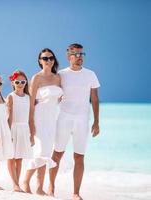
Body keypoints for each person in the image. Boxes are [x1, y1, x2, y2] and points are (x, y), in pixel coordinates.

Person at [49, 43, 100, 200]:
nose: (79, 58)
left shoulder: (90, 74)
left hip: (82, 120)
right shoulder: (61, 74)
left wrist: (96, 122)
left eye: (81, 54)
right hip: (63, 117)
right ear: (68, 56)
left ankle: (76, 193)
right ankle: (51, 187)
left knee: (79, 156)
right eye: (76, 54)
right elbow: (52, 94)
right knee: (57, 154)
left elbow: (94, 98)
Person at [22, 48, 63, 195]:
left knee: (46, 152)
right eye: (45, 58)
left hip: (53, 118)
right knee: (41, 151)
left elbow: (59, 98)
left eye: (51, 58)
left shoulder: (58, 78)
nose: (48, 61)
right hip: (39, 118)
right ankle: (26, 181)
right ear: (40, 61)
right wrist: (31, 124)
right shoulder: (36, 78)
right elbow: (31, 103)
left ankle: (39, 188)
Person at [7, 70, 33, 188]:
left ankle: (16, 184)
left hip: (24, 129)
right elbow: (9, 117)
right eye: (17, 82)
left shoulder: (28, 97)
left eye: (23, 81)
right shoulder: (11, 97)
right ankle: (15, 184)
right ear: (13, 83)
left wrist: (32, 134)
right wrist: (8, 133)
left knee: (19, 158)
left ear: (26, 82)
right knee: (11, 157)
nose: (20, 84)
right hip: (13, 128)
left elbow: (30, 117)